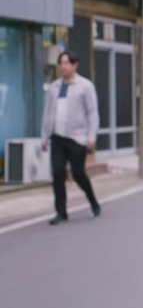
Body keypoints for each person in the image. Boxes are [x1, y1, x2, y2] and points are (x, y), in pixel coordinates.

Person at [41, 51, 101, 225]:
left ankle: (93, 202)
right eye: (61, 63)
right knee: (57, 172)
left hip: (77, 137)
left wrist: (91, 136)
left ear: (75, 65)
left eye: (67, 63)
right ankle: (61, 212)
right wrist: (44, 137)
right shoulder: (54, 87)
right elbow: (47, 113)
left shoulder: (85, 86)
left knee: (78, 174)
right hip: (57, 137)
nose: (64, 67)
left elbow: (92, 113)